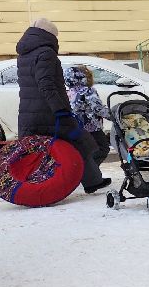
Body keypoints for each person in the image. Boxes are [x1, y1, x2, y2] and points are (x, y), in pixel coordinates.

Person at [15, 19, 109, 195]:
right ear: (49, 36)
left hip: (29, 112)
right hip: (49, 112)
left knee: (37, 150)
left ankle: (31, 185)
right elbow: (46, 84)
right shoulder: (45, 53)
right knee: (80, 143)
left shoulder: (24, 54)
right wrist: (60, 110)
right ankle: (91, 181)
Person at [64, 63, 110, 161]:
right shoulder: (88, 91)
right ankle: (91, 172)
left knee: (86, 151)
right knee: (102, 149)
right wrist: (112, 115)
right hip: (92, 128)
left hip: (77, 127)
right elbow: (97, 108)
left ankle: (87, 171)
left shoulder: (70, 92)